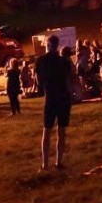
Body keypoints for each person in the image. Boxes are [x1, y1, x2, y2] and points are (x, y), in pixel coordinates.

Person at [35, 35, 74, 171]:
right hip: (63, 98)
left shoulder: (40, 61)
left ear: (47, 44)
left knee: (47, 131)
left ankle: (45, 165)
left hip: (50, 98)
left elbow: (39, 83)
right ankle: (58, 162)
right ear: (57, 45)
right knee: (61, 131)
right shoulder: (63, 62)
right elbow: (69, 80)